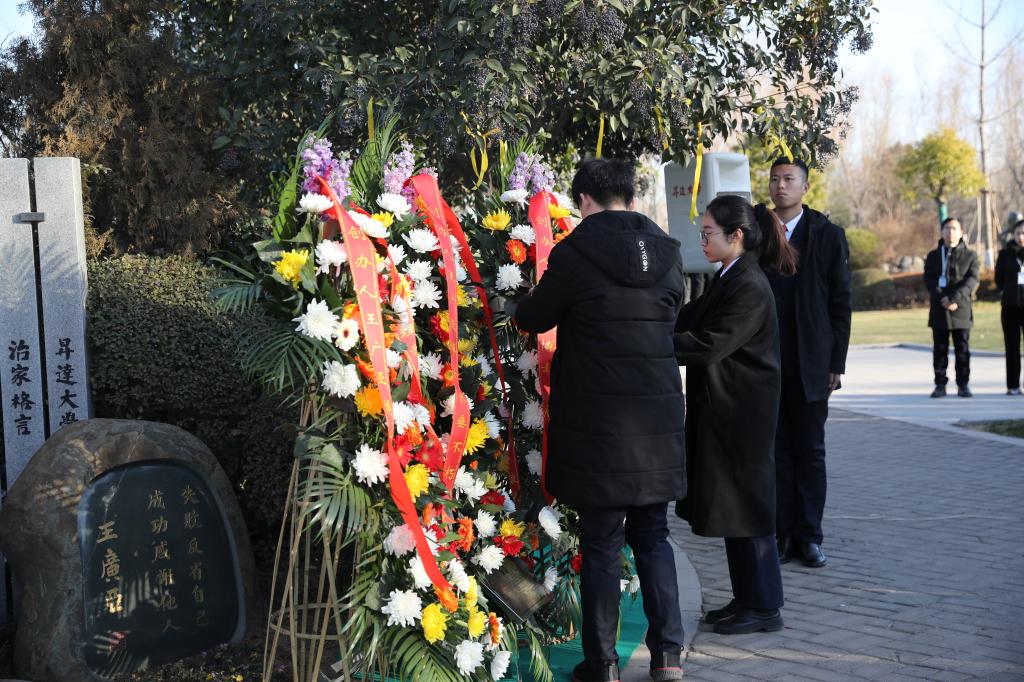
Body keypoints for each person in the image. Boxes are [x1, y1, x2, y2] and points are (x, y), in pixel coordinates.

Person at [515, 158, 686, 682]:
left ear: (584, 201)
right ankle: (668, 656)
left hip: (600, 424)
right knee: (653, 536)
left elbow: (535, 316)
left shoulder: (575, 251)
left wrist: (519, 300)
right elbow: (673, 310)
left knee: (603, 543)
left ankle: (603, 664)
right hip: (657, 420)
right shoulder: (669, 252)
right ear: (631, 198)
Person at [674, 196, 795, 634]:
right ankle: (747, 598)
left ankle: (765, 606)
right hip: (727, 410)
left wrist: (653, 345)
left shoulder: (749, 285)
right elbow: (690, 318)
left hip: (744, 414)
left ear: (736, 235)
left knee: (750, 509)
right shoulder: (730, 275)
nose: (702, 241)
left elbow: (710, 343)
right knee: (735, 510)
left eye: (708, 234)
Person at [765, 157, 851, 568]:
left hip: (813, 363)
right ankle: (783, 534)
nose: (780, 186)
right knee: (778, 452)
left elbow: (841, 302)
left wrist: (837, 361)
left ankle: (811, 536)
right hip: (769, 362)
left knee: (811, 452)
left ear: (805, 188)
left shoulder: (828, 235)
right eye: (774, 179)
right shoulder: (759, 232)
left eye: (788, 179)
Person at [923, 218, 980, 398]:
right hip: (939, 308)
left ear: (961, 232)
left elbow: (972, 280)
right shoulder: (933, 256)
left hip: (961, 308)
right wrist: (943, 298)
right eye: (947, 228)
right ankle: (940, 385)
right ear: (942, 232)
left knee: (962, 349)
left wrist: (955, 298)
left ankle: (963, 384)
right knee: (939, 349)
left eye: (954, 229)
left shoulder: (970, 256)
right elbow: (929, 280)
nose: (950, 232)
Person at [994, 219, 1024, 395]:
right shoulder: (1005, 254)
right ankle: (1013, 385)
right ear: (1013, 234)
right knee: (1012, 347)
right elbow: (999, 280)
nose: (1021, 237)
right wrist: (1008, 291)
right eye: (1018, 233)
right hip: (1010, 306)